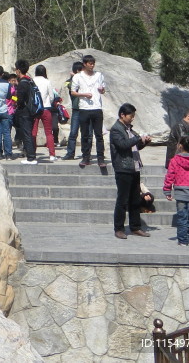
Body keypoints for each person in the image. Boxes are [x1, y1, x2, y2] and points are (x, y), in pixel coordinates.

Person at [110, 103, 152, 240]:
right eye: (131, 116)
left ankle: (135, 227)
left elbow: (135, 146)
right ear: (122, 115)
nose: (132, 118)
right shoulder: (116, 129)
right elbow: (123, 145)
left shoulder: (130, 129)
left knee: (135, 199)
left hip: (134, 167)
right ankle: (119, 228)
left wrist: (144, 141)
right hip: (123, 169)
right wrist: (137, 138)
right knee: (122, 200)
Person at [71, 54, 107, 167]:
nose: (92, 65)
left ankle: (100, 158)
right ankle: (85, 157)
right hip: (84, 108)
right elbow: (73, 92)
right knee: (85, 134)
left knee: (99, 135)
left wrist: (102, 90)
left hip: (97, 108)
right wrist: (84, 94)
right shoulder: (77, 77)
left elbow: (103, 90)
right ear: (84, 64)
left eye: (93, 63)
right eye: (90, 63)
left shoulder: (99, 75)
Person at [13, 60, 38, 163]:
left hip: (25, 112)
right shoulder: (30, 80)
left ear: (18, 70)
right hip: (31, 111)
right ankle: (31, 155)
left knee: (26, 134)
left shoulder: (22, 83)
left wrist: (16, 101)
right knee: (29, 133)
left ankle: (31, 157)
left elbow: (20, 100)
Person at [31, 65, 58, 162]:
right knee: (49, 132)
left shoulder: (32, 81)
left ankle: (32, 153)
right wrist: (47, 102)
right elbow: (51, 96)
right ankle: (52, 155)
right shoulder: (47, 82)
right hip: (46, 108)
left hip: (35, 110)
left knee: (33, 132)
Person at [61, 61, 85, 159]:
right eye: (80, 71)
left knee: (86, 133)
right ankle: (70, 153)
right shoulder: (69, 81)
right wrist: (73, 77)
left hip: (86, 109)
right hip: (76, 110)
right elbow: (69, 86)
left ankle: (86, 153)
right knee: (73, 132)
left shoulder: (86, 80)